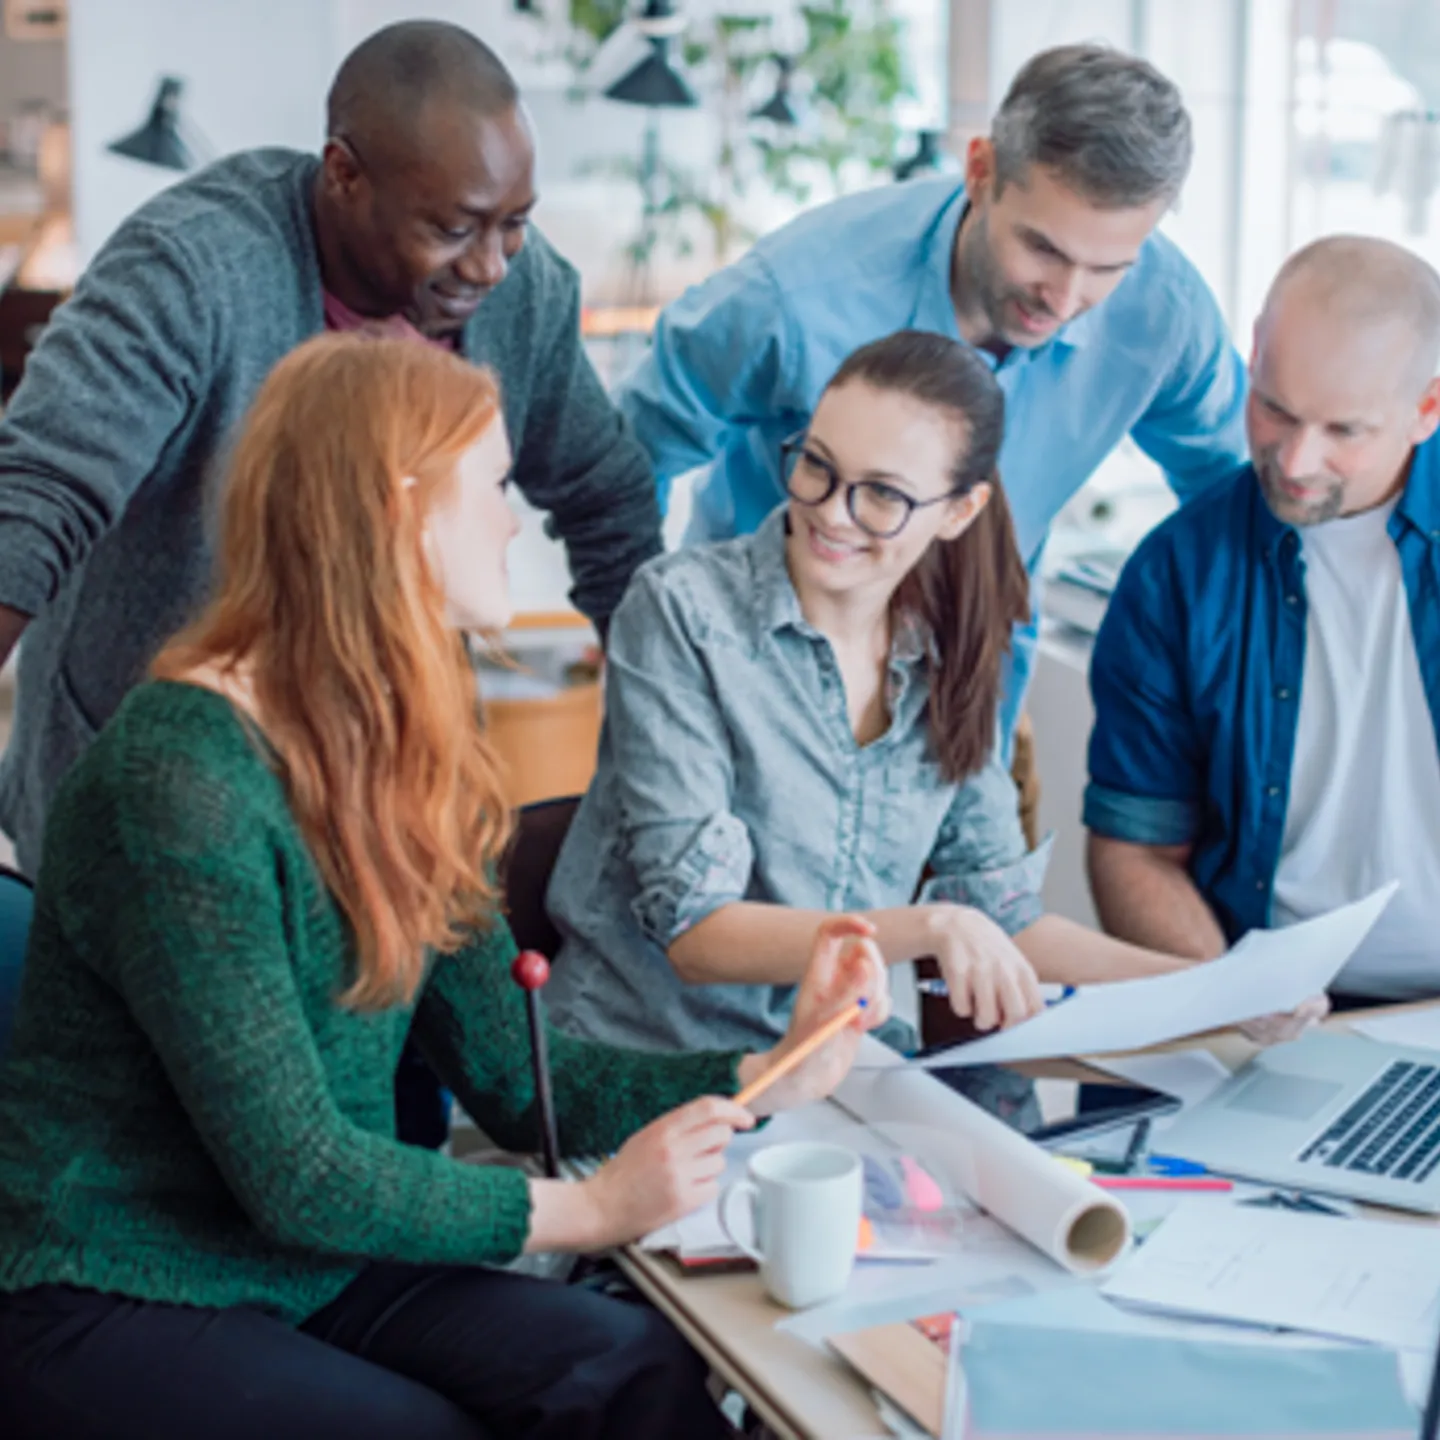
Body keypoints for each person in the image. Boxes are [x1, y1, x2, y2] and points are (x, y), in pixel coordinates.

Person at [0, 334, 886, 1440]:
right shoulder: (179, 777)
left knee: (630, 1364)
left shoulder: (397, 742)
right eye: (497, 485)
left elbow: (519, 1081)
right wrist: (594, 1210)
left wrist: (768, 1072)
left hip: (304, 1267)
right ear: (398, 506)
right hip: (118, 1286)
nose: (514, 522)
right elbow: (302, 1174)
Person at [0, 19, 661, 879]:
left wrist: (666, 744)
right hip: (156, 793)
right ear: (344, 175)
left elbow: (608, 500)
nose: (493, 265)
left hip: (381, 796)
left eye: (516, 226)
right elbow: (37, 499)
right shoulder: (194, 269)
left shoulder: (517, 297)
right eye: (456, 228)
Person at [546, 330, 1203, 1129]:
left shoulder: (951, 650)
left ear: (961, 511)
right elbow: (697, 931)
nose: (830, 512)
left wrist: (1211, 993)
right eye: (817, 465)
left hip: (848, 1082)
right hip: (661, 1077)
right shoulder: (683, 612)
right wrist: (929, 926)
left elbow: (1005, 919)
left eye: (883, 494)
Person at [617, 43, 1248, 744]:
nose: (1065, 299)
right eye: (1042, 248)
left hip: (966, 708)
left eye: (1106, 267)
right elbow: (625, 464)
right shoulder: (794, 297)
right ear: (980, 172)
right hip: (747, 693)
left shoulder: (1164, 311)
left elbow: (1232, 493)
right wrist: (651, 660)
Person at [1085, 236, 1440, 1009]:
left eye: (1345, 431)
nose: (1296, 460)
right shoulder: (1175, 574)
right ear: (1254, 352)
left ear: (1428, 408)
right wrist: (1233, 994)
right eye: (1275, 408)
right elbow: (1133, 850)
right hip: (1271, 1005)